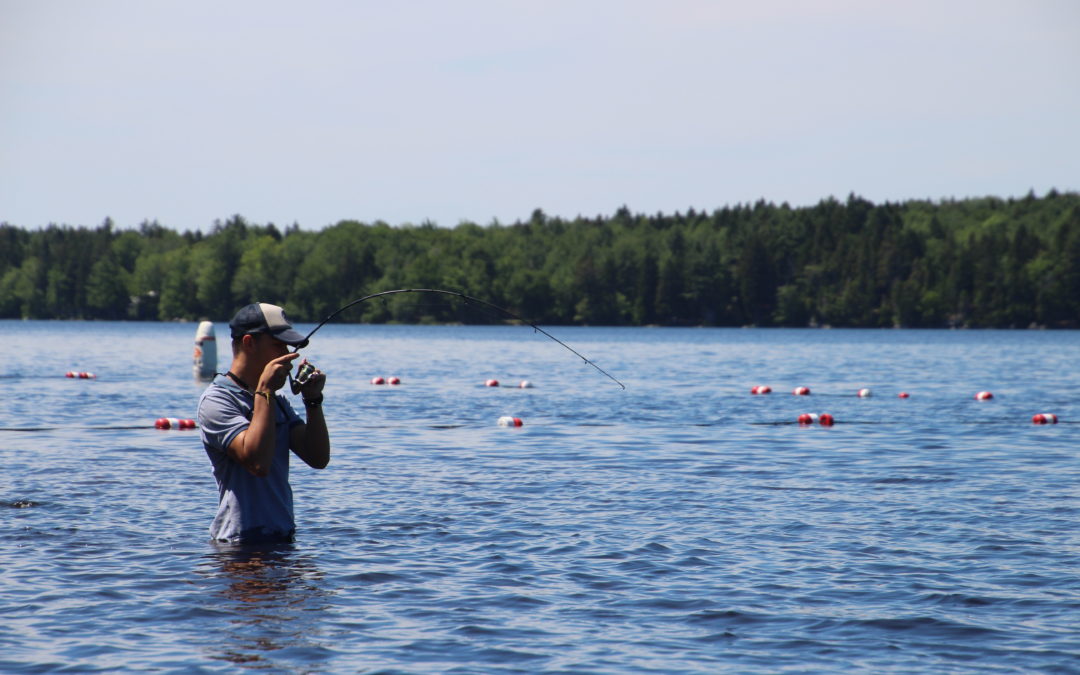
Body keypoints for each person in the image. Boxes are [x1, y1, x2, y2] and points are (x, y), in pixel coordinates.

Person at [197, 302, 330, 543]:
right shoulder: (216, 401)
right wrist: (265, 389)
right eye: (278, 345)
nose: (288, 354)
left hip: (282, 540)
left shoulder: (276, 402)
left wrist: (313, 400)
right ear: (249, 343)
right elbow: (258, 463)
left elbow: (318, 458)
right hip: (239, 546)